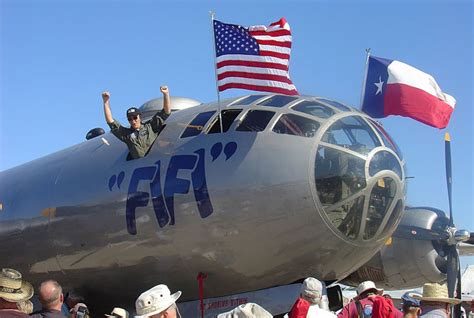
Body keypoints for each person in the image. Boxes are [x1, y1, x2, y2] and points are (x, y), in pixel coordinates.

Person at [102, 86, 171, 160]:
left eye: (135, 118)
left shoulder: (150, 126)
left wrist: (166, 94)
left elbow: (166, 112)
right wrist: (106, 101)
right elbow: (110, 121)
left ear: (139, 117)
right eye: (130, 119)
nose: (133, 121)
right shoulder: (126, 134)